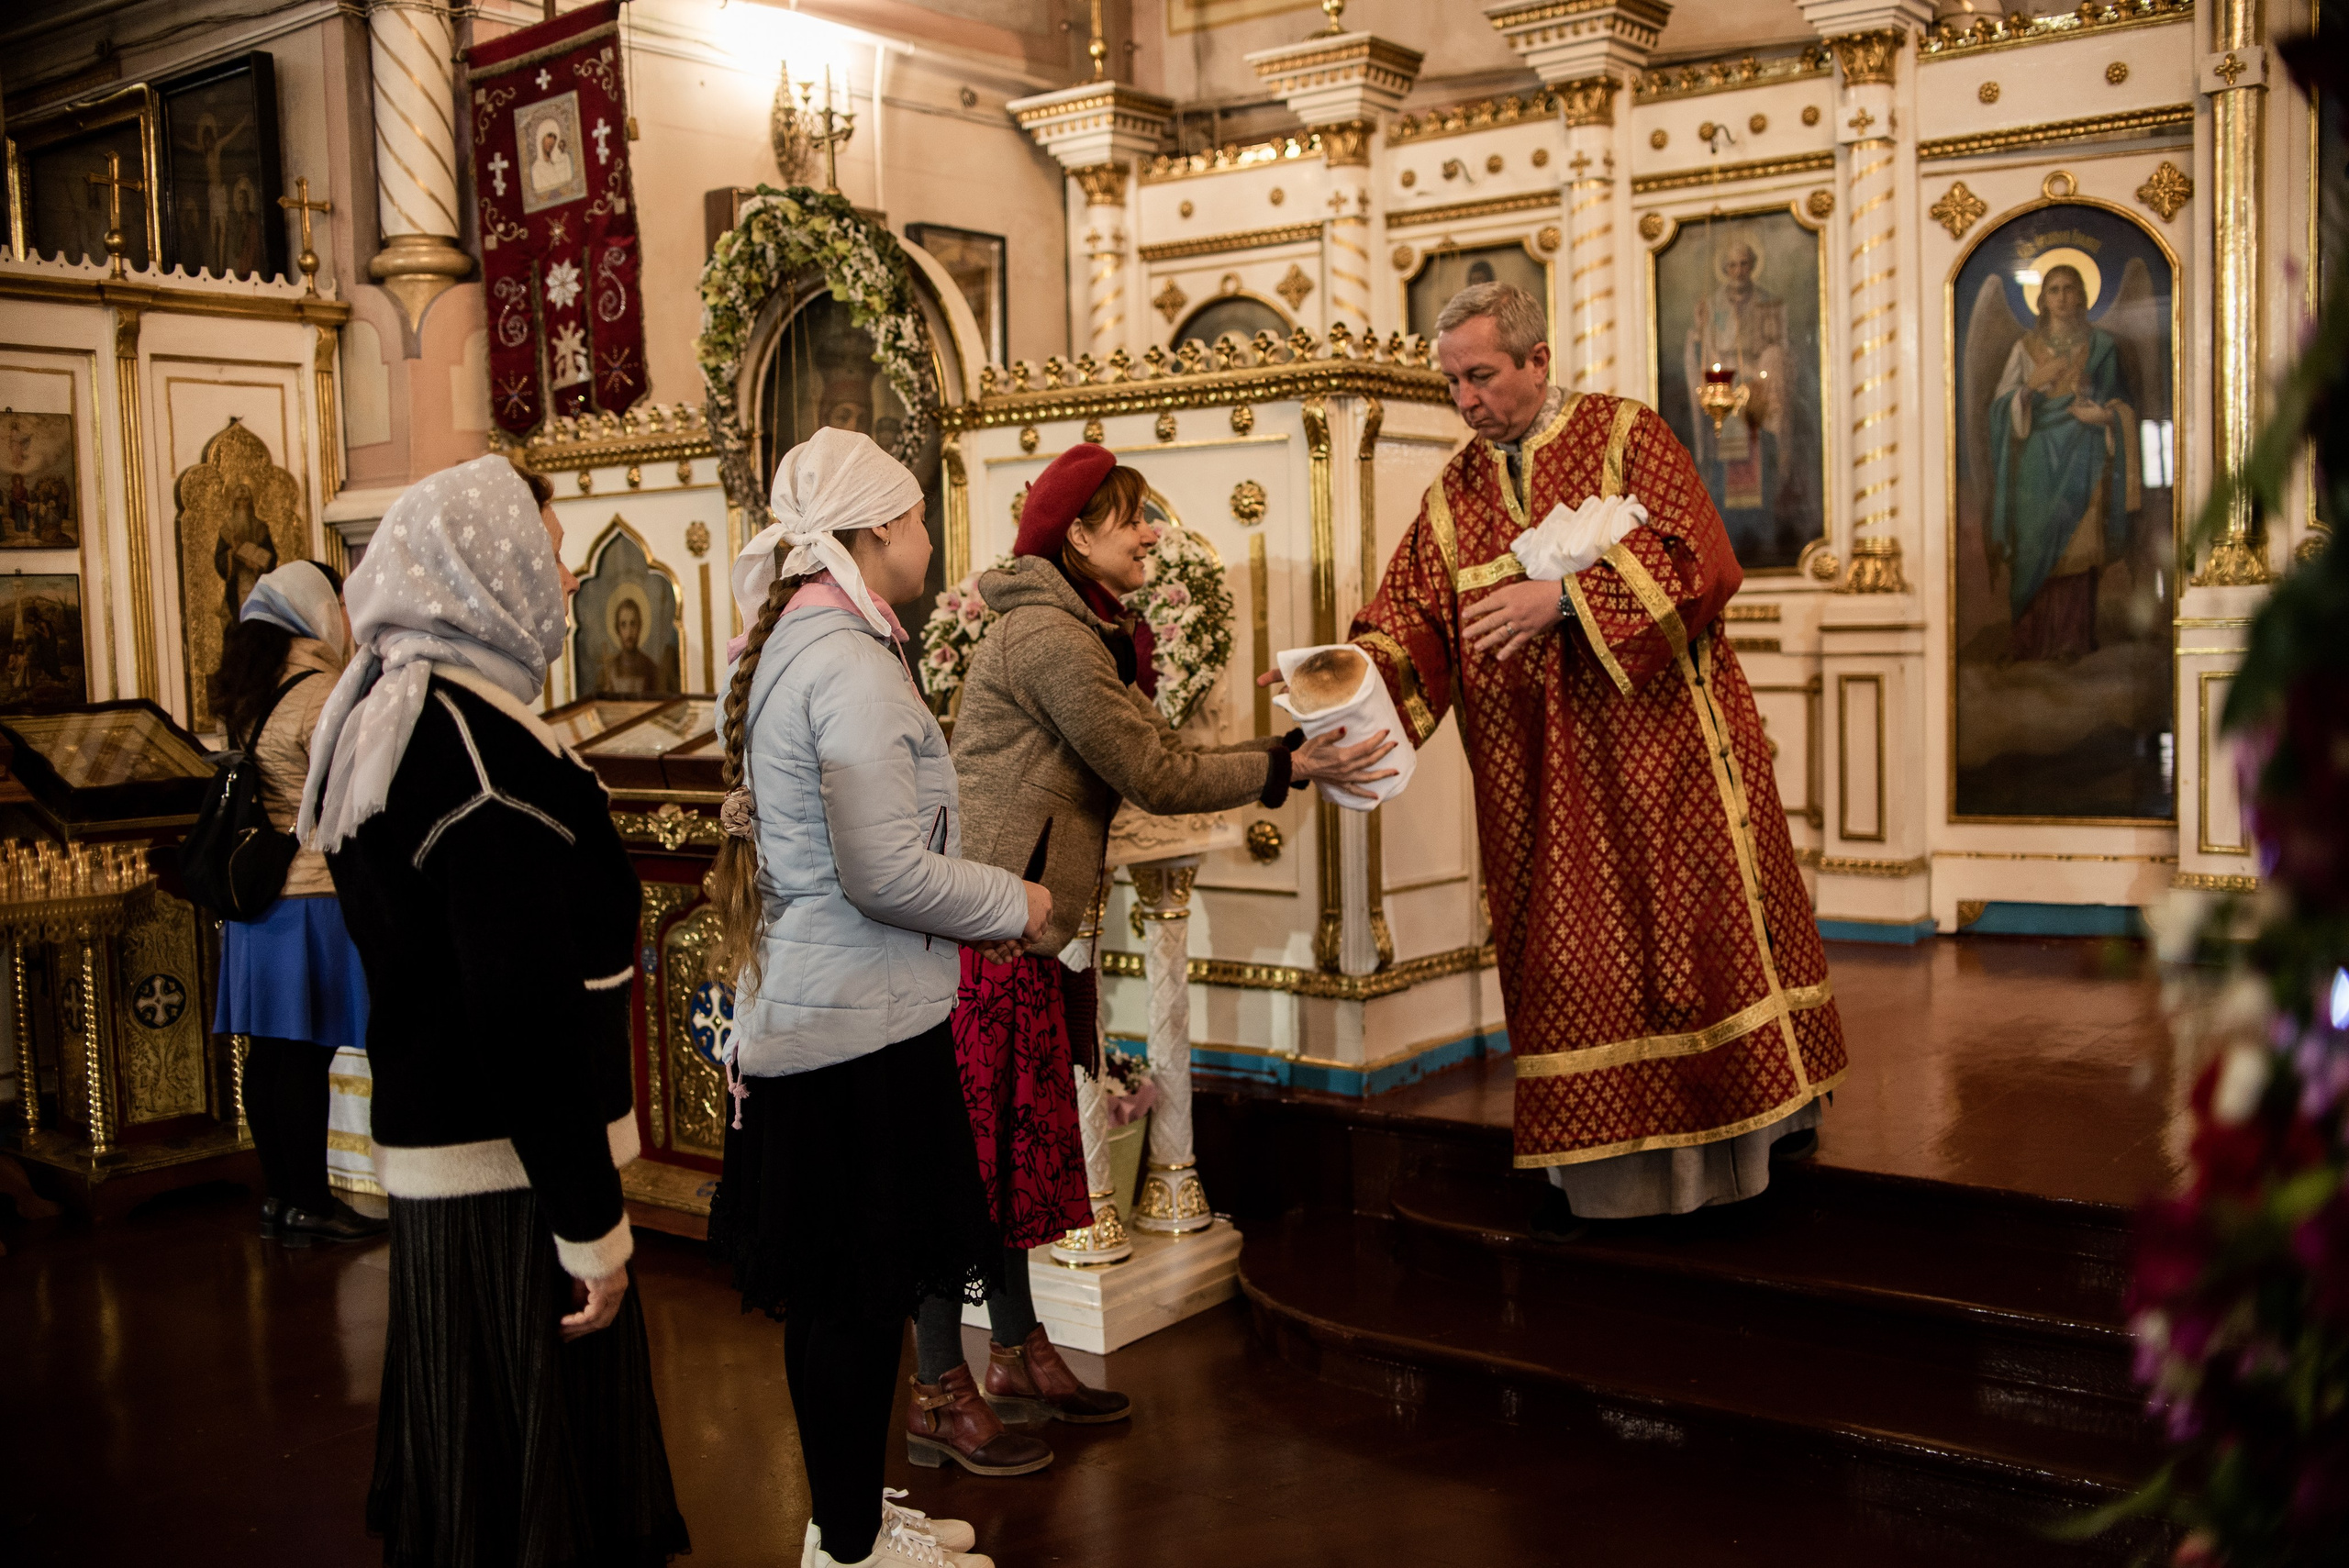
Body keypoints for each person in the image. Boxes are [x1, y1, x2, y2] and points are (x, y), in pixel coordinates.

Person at [912, 443, 1395, 1472]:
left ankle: (1013, 1349)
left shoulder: (1079, 625)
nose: (1149, 533)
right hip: (987, 935)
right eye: (1128, 517)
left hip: (1023, 932)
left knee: (1016, 1157)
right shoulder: (1049, 635)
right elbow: (1151, 767)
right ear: (1075, 535)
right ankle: (935, 1387)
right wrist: (1288, 762)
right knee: (966, 1169)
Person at [1339, 282, 1846, 1229]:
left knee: (1703, 946)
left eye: (1480, 376)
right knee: (1580, 967)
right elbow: (1407, 618)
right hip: (1545, 785)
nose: (1464, 401)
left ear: (1537, 360)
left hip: (1671, 761)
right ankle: (1611, 1175)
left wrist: (1564, 600)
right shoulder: (1454, 491)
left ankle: (1745, 1147)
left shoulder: (1626, 434)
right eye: (1450, 381)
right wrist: (1340, 680)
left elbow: (1704, 558)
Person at [303, 455, 689, 1567]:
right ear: (482, 569)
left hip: (461, 1164)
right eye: (550, 551)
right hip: (511, 1184)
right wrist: (590, 1229)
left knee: (473, 1472)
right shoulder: (476, 753)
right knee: (526, 1491)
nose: (567, 578)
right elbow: (521, 1017)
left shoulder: (406, 713)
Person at [703, 426, 1039, 1568]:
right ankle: (849, 1549)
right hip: (854, 1034)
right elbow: (883, 870)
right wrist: (1018, 902)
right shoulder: (844, 660)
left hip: (835, 1015)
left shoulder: (802, 639)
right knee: (851, 1304)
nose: (931, 536)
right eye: (918, 515)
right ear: (876, 529)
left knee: (853, 1298)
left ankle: (846, 1512)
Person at [209, 559, 381, 1248]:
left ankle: (280, 1196)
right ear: (314, 612)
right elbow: (354, 792)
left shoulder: (253, 690)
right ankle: (312, 1199)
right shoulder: (323, 690)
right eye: (337, 601)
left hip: (258, 900)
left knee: (271, 1054)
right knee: (306, 1056)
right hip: (312, 891)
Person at [1987, 262, 2140, 662]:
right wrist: (2030, 388)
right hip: (2036, 460)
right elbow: (2000, 409)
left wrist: (2106, 418)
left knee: (2078, 544)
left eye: (2070, 289)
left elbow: (2122, 404)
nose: (2062, 297)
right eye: (2053, 289)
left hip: (2084, 454)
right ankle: (2029, 641)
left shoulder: (2102, 347)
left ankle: (2072, 641)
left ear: (2083, 296)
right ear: (2042, 299)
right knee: (2034, 542)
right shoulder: (2024, 349)